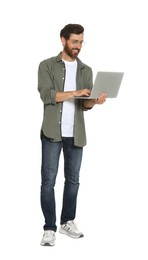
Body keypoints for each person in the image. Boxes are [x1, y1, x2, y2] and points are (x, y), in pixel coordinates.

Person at [38, 23, 106, 246]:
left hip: (76, 133)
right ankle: (49, 228)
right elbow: (47, 95)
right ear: (63, 40)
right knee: (48, 182)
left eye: (81, 42)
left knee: (73, 181)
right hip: (52, 132)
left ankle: (67, 221)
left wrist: (94, 101)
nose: (78, 46)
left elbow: (84, 105)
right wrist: (74, 92)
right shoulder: (47, 65)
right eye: (75, 41)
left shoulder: (86, 70)